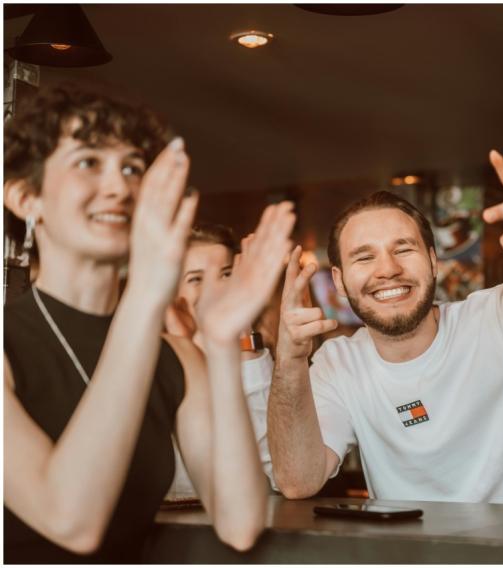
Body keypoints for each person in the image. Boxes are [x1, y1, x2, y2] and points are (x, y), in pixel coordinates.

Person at [3, 86, 295, 562]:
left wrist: (220, 345)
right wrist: (146, 291)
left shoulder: (177, 357)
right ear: (24, 198)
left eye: (131, 168)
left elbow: (240, 523)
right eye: (88, 162)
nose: (119, 187)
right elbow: (70, 522)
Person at [268, 148, 503, 505]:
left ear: (432, 261)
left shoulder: (501, 318)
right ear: (340, 280)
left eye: (404, 249)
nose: (387, 269)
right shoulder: (340, 364)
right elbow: (298, 480)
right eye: (365, 257)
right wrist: (288, 363)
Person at [164, 223, 277, 498]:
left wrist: (245, 343)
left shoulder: (259, 363)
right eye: (196, 278)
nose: (215, 288)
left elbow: (273, 472)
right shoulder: (155, 365)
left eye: (226, 274)